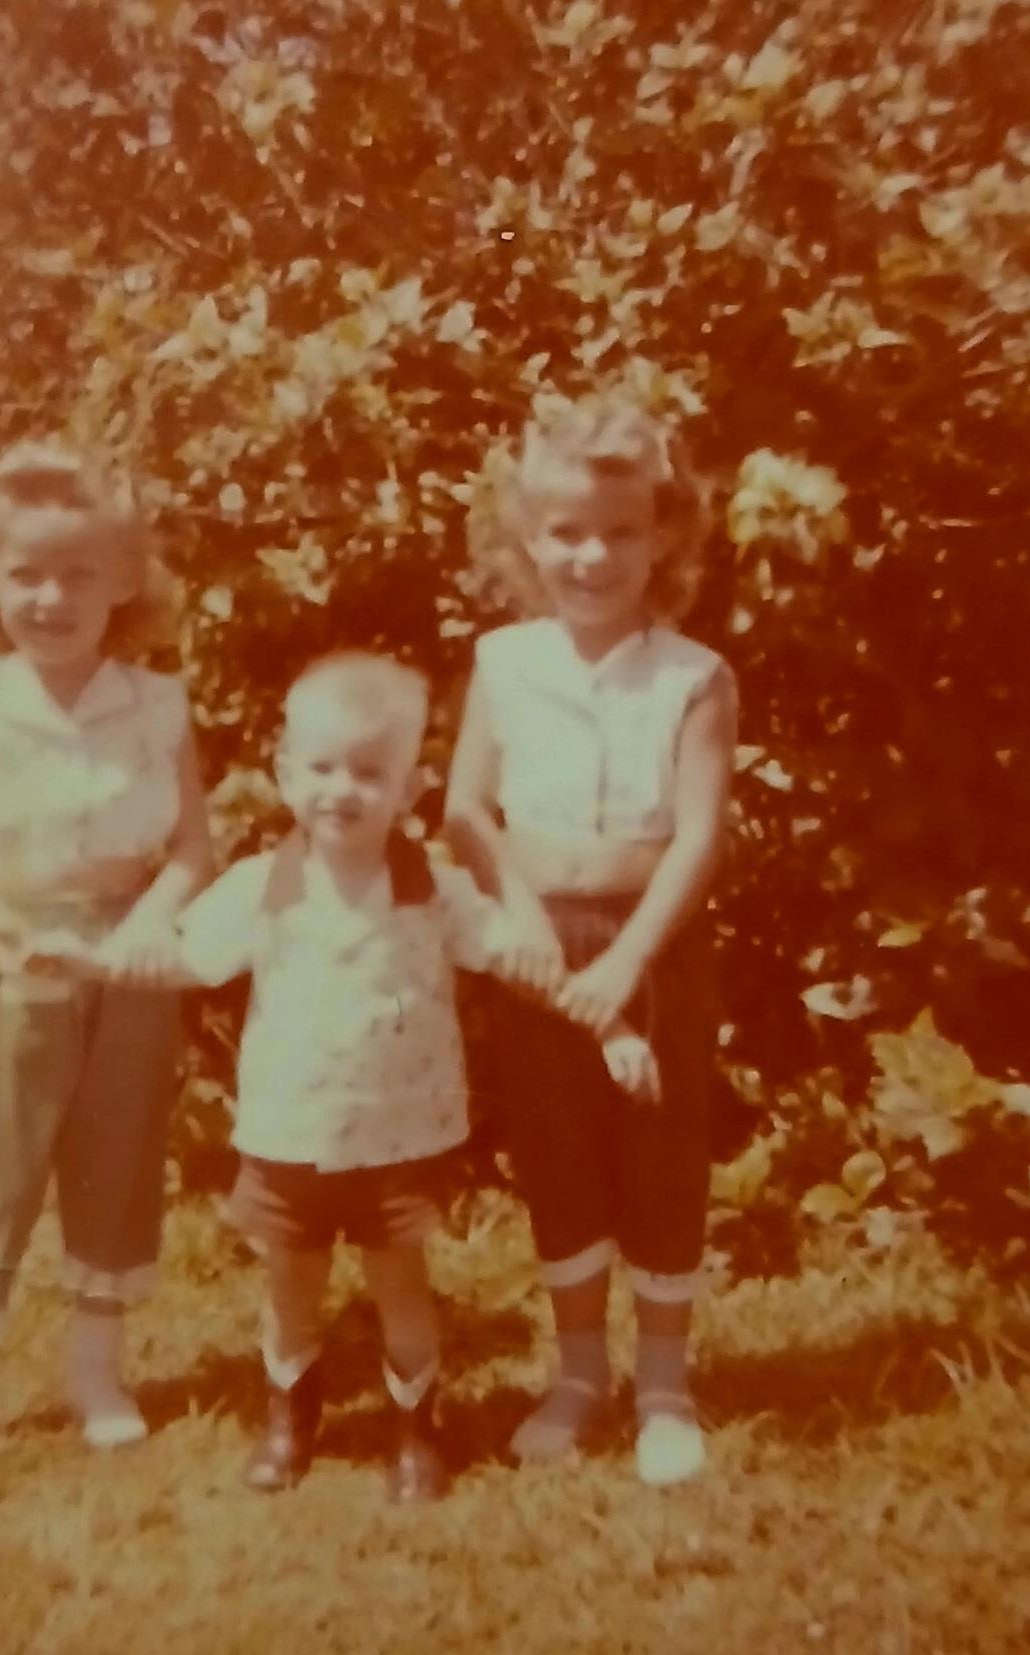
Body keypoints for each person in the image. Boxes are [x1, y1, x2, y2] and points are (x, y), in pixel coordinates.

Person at [96, 651, 518, 1501]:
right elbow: (188, 957)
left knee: (401, 1284)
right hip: (290, 1131)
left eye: (370, 771)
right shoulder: (262, 885)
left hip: (398, 1136)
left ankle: (415, 1431)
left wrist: (567, 968)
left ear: (410, 787)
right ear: (286, 774)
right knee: (293, 1290)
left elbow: (504, 943)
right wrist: (119, 955)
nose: (342, 790)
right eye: (321, 767)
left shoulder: (431, 888)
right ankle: (292, 1416)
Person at [0, 440, 212, 1473]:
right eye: (26, 572)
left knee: (116, 1162)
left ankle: (95, 1367)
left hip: (128, 961)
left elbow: (191, 847)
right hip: (14, 951)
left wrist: (150, 922)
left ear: (123, 581)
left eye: (79, 572)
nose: (50, 596)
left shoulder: (158, 705)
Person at [445, 397, 737, 1485]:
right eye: (566, 530)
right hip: (532, 943)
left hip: (647, 941)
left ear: (661, 532)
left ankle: (661, 1380)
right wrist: (519, 920)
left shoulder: (692, 677)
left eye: (619, 530)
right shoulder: (503, 662)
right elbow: (467, 812)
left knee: (659, 1158)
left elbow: (700, 834)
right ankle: (576, 1373)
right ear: (527, 537)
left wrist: (623, 961)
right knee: (556, 1153)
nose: (592, 554)